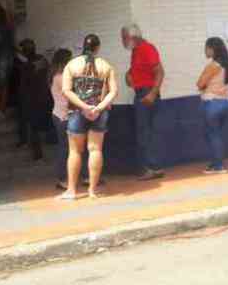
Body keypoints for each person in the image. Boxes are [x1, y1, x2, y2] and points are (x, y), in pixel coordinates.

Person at [58, 35, 118, 200]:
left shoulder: (72, 65)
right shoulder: (105, 66)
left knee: (75, 151)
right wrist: (98, 107)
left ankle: (71, 190)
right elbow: (113, 91)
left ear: (83, 46)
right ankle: (92, 189)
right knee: (95, 150)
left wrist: (84, 107)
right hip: (99, 112)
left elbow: (66, 90)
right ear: (97, 48)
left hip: (78, 112)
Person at [121, 24, 165, 181]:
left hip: (147, 93)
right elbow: (138, 72)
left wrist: (153, 93)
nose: (122, 41)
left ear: (133, 37)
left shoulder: (147, 48)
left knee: (145, 133)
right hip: (141, 92)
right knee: (145, 132)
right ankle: (153, 167)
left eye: (124, 37)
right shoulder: (136, 51)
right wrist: (129, 74)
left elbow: (159, 71)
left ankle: (151, 168)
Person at [196, 38, 228, 174]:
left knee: (212, 135)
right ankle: (215, 163)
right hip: (226, 103)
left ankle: (218, 166)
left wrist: (202, 84)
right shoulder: (227, 65)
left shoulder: (213, 65)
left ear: (212, 49)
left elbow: (200, 83)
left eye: (206, 47)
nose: (205, 50)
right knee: (214, 135)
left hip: (212, 103)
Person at [16, 39, 51, 161]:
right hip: (41, 96)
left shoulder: (25, 62)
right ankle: (27, 143)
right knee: (33, 124)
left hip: (29, 97)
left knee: (32, 125)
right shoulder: (41, 59)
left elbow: (24, 78)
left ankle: (35, 151)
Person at [50, 48, 73, 190]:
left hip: (57, 114)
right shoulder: (62, 77)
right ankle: (63, 178)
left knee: (64, 148)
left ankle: (64, 178)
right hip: (64, 115)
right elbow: (69, 97)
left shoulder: (53, 75)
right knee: (66, 149)